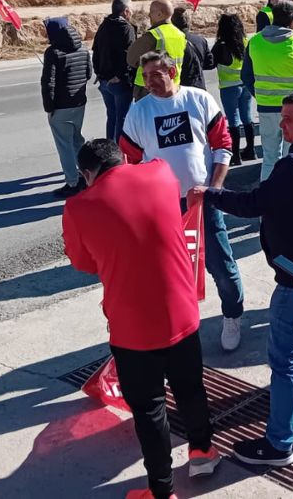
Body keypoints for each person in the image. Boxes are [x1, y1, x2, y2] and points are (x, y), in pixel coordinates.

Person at [189, 92, 293, 469]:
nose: (281, 125)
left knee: (285, 361)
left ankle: (280, 443)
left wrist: (209, 195)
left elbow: (253, 204)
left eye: (288, 119)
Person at [62, 140, 221, 499]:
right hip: (182, 311)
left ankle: (162, 491)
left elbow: (84, 264)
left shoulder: (78, 207)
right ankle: (202, 451)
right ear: (123, 159)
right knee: (190, 387)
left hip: (132, 326)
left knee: (150, 410)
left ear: (87, 174)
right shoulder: (161, 173)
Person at [120, 52, 244, 351]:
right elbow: (130, 161)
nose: (148, 82)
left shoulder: (199, 100)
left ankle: (233, 315)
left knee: (221, 265)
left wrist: (213, 189)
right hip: (163, 208)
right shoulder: (139, 111)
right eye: (144, 76)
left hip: (202, 202)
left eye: (154, 74)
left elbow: (223, 145)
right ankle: (183, 323)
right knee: (171, 271)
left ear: (172, 71)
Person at [244, 0, 293, 180]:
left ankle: (267, 198)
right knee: (291, 156)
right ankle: (288, 198)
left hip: (265, 108)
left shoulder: (254, 42)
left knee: (269, 158)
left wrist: (261, 95)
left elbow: (246, 76)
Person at [42, 16, 92, 199]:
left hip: (61, 107)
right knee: (77, 140)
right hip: (80, 102)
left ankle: (72, 182)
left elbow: (48, 83)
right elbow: (88, 73)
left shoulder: (53, 52)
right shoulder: (83, 48)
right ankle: (90, 175)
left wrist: (49, 107)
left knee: (64, 145)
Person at [213, 12, 255, 166]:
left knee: (233, 121)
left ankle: (235, 155)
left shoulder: (221, 46)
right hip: (245, 85)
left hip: (229, 87)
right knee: (247, 117)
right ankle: (251, 150)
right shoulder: (246, 41)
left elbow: (209, 63)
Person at [92, 0, 136, 141]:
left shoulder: (104, 25)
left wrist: (99, 72)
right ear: (126, 11)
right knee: (122, 119)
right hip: (119, 82)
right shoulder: (125, 28)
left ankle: (109, 151)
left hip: (104, 80)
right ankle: (120, 155)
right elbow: (129, 56)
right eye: (131, 10)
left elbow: (95, 50)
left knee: (112, 117)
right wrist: (121, 75)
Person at [127, 0, 186, 100]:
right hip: (173, 85)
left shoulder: (153, 35)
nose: (149, 15)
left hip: (149, 87)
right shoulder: (180, 35)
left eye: (151, 12)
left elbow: (131, 59)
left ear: (160, 14)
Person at [171, 6, 216, 91]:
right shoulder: (201, 40)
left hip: (180, 88)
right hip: (199, 86)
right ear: (188, 22)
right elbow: (210, 64)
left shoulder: (170, 42)